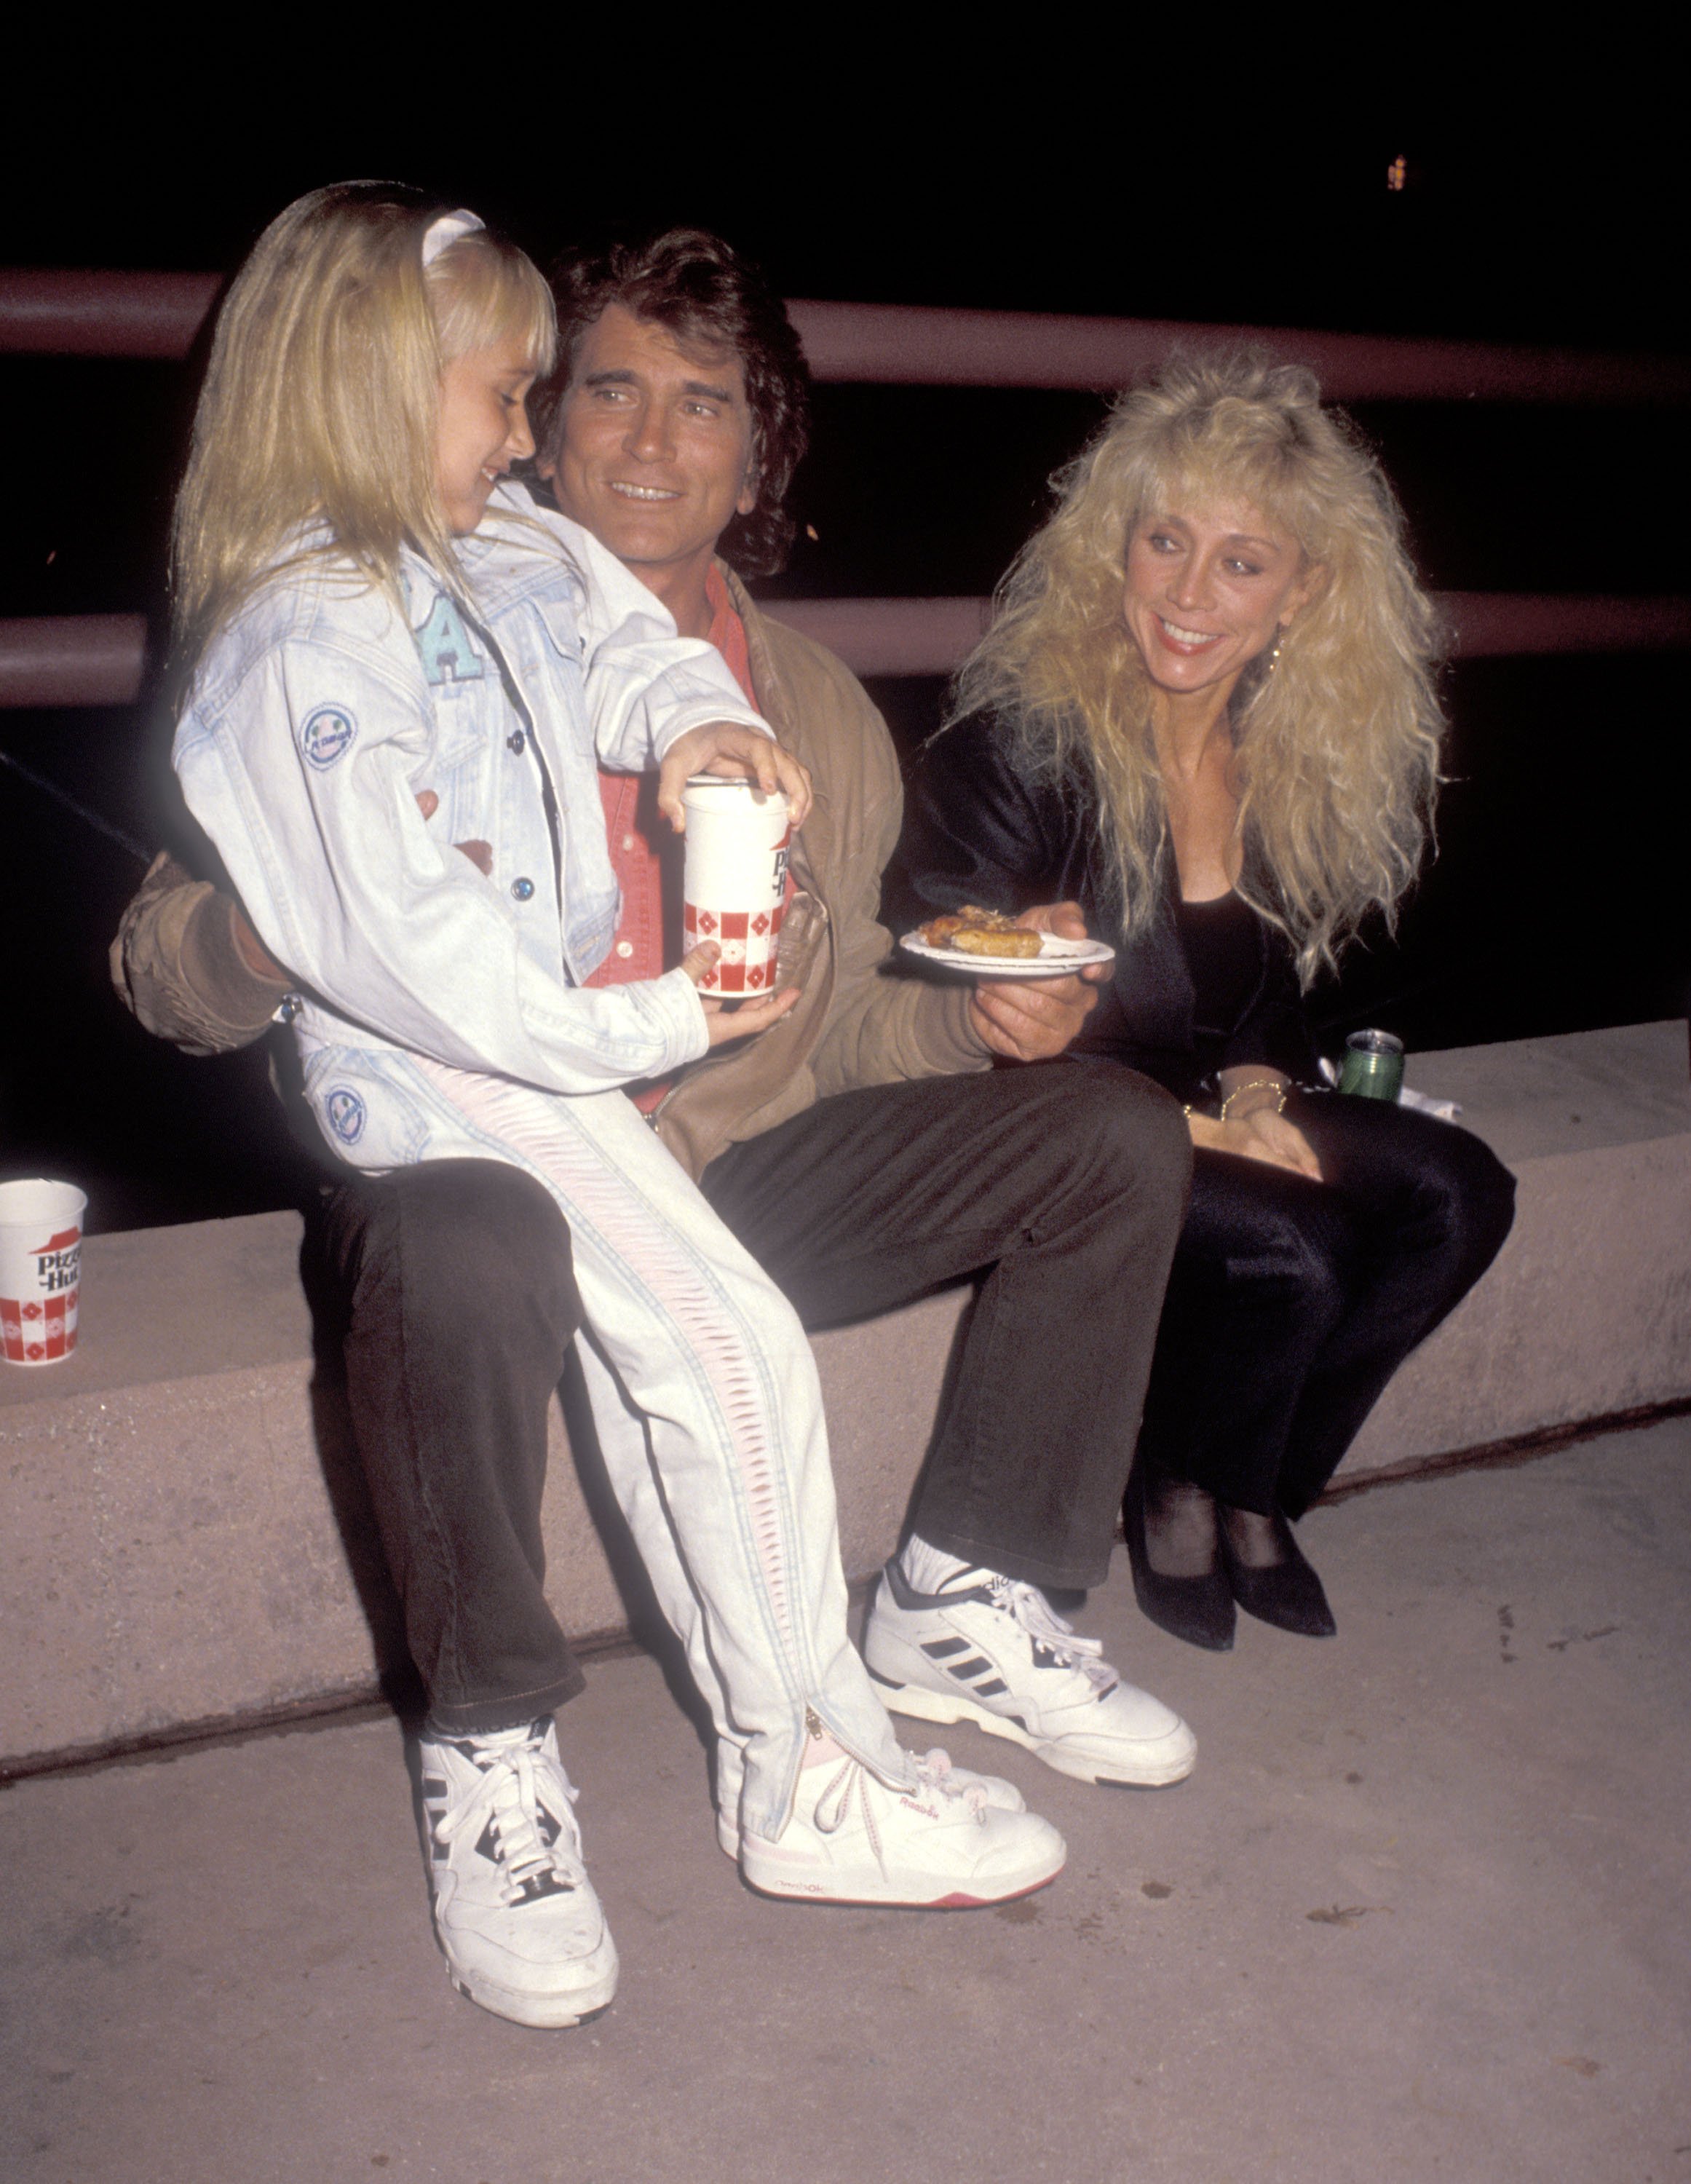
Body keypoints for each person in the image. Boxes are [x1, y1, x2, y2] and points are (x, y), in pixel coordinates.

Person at [122, 224, 1199, 1821]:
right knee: (459, 1234)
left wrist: (975, 1020)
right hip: (469, 1172)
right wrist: (274, 936)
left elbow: (825, 1038)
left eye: (700, 404)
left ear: (754, 449)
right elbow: (162, 969)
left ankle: (964, 1597)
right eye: (604, 390)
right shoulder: (375, 617)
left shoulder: (814, 708)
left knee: (1110, 1130)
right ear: (537, 420)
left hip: (721, 1175)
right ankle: (488, 1748)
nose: (644, 440)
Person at [892, 351, 1517, 1653]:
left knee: (1459, 1197)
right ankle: (1171, 1479)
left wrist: (1250, 1093)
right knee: (1298, 1248)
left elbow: (1257, 997)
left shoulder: (1281, 756)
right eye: (1165, 541)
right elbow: (960, 1002)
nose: (1187, 594)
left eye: (1242, 561)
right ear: (1112, 552)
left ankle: (1256, 1481)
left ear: (1303, 592)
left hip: (1198, 1107)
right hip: (1048, 1131)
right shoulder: (1019, 745)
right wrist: (1201, 1135)